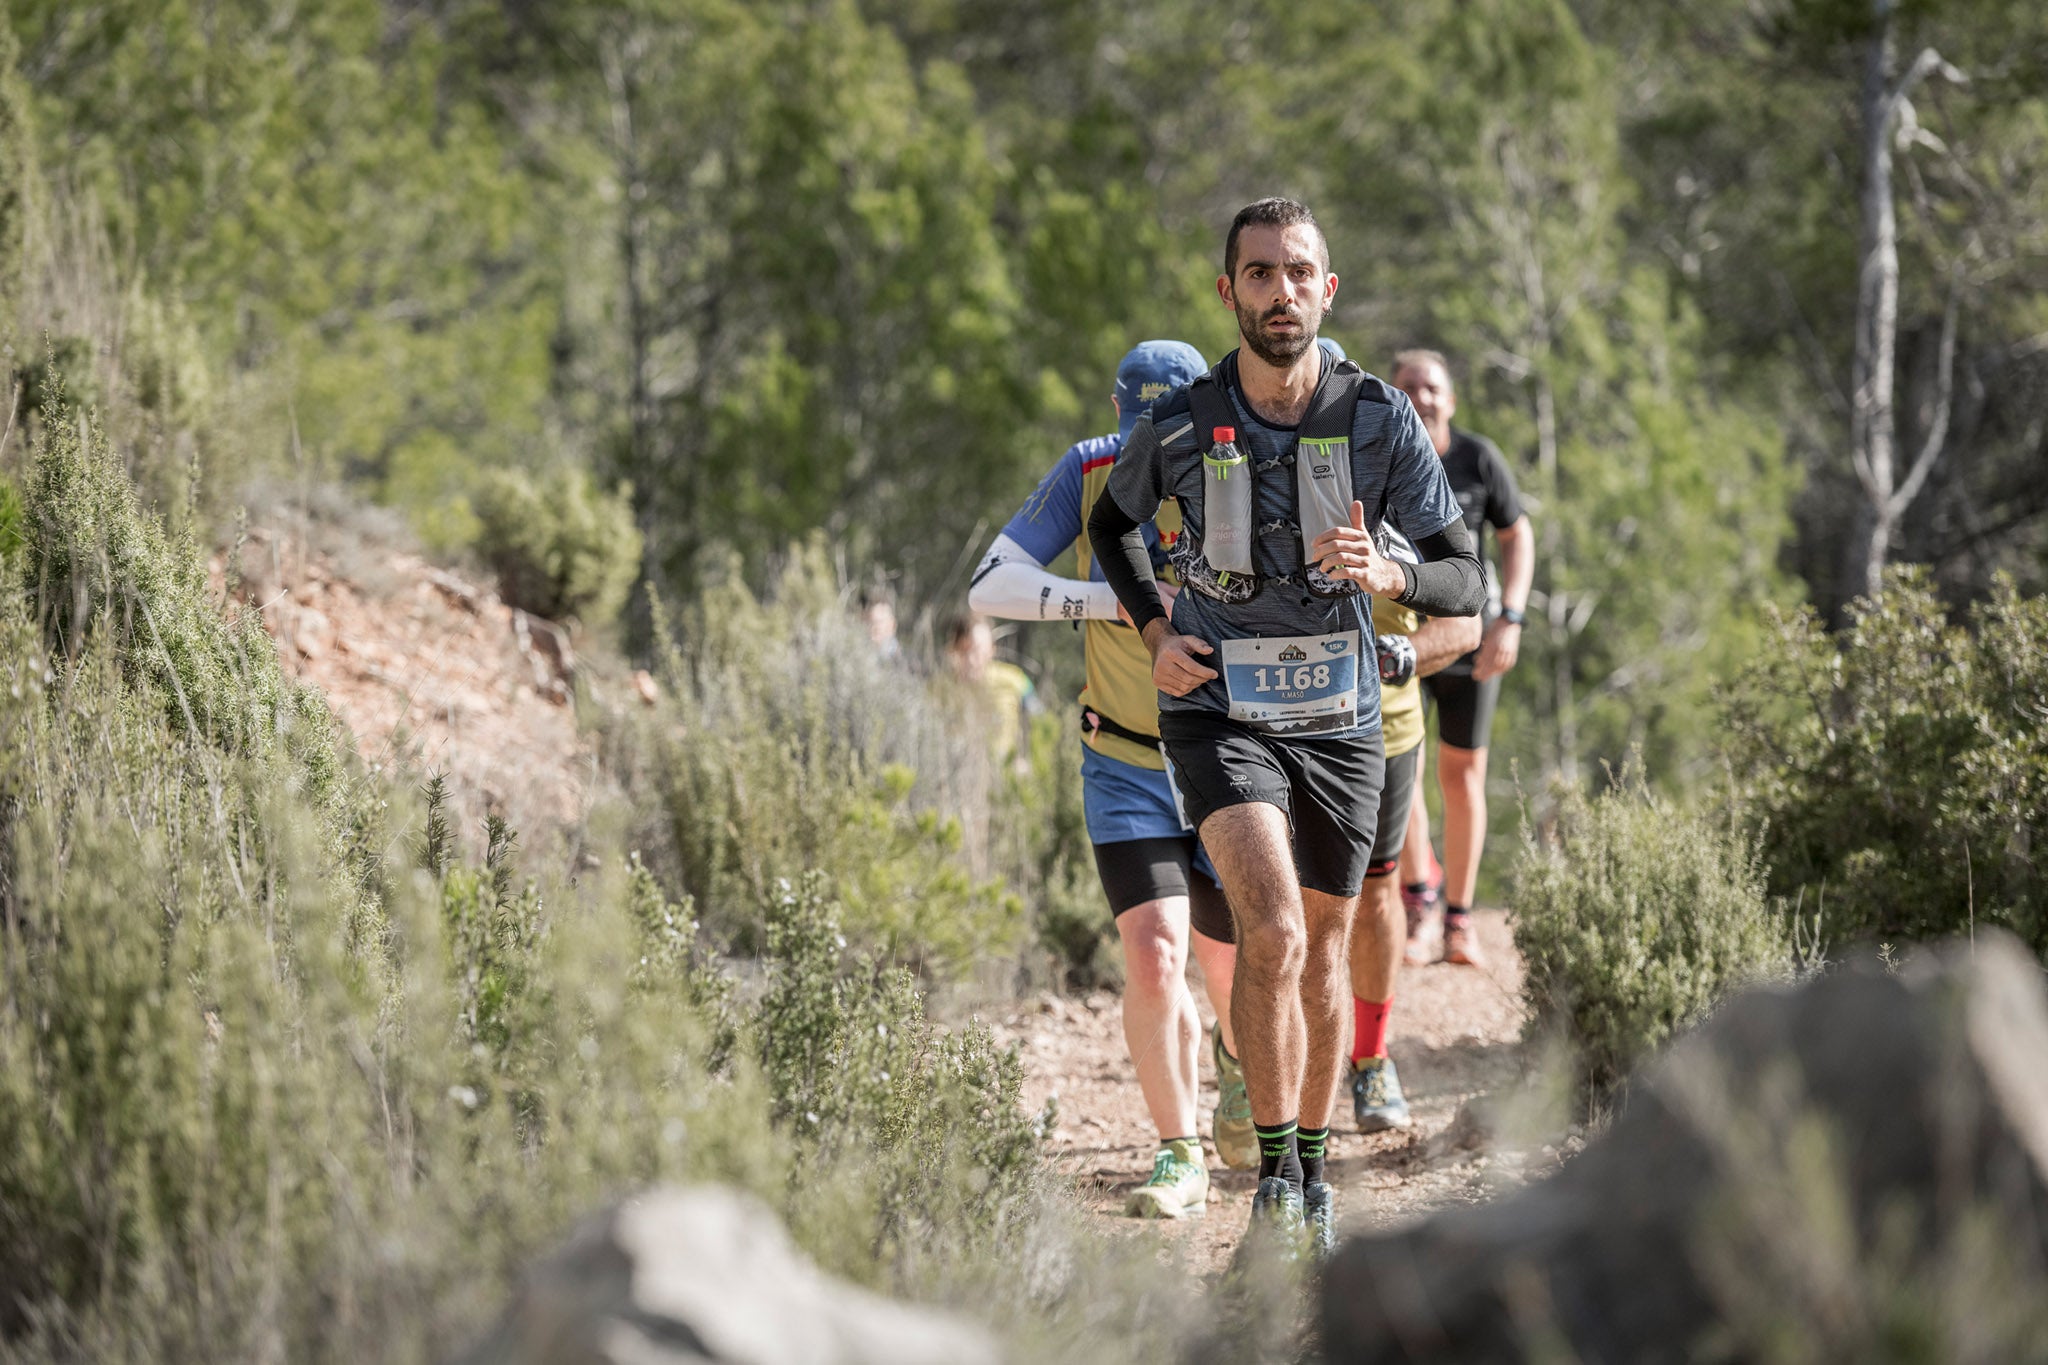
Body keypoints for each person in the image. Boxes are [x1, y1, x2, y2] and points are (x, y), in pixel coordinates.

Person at [1087, 198, 1482, 1258]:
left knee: (1317, 953)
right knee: (1268, 929)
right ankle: (1270, 1176)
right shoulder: (1179, 417)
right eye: (1258, 274)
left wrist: (1391, 570)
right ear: (1229, 293)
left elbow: (1463, 574)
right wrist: (1153, 624)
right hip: (1219, 708)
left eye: (1297, 273)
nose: (1279, 292)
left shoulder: (1375, 419)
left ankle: (1307, 1170)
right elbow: (1112, 524)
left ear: (1325, 289)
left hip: (1343, 718)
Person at [969, 340, 1254, 1221]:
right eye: (1138, 436)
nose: (1149, 459)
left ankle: (1241, 1066)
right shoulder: (1091, 467)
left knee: (1229, 962)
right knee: (1154, 951)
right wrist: (1113, 601)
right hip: (1124, 758)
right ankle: (1178, 1152)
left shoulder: (1243, 464)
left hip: (1227, 754)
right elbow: (992, 585)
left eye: (1166, 438)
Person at [1389, 350, 1533, 968]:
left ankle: (1460, 919)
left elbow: (1516, 533)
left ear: (1451, 399)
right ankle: (1420, 901)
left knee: (1462, 775)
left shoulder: (1478, 457)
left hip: (1469, 639)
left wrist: (1513, 617)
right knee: (1406, 767)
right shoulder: (1382, 453)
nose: (1421, 397)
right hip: (1402, 638)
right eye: (1409, 387)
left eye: (1432, 388)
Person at [1347, 525, 1482, 1130]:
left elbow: (1467, 619)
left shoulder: (1412, 489)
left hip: (1385, 733)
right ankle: (1261, 1063)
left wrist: (1401, 656)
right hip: (1277, 733)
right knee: (1283, 906)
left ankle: (1371, 1059)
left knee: (1376, 893)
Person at [945, 612, 1036, 768]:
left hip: (1007, 770)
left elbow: (1040, 721)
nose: (973, 659)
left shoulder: (1014, 678)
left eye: (979, 650)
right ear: (953, 649)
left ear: (992, 650)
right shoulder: (941, 688)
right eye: (966, 650)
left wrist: (1026, 759)